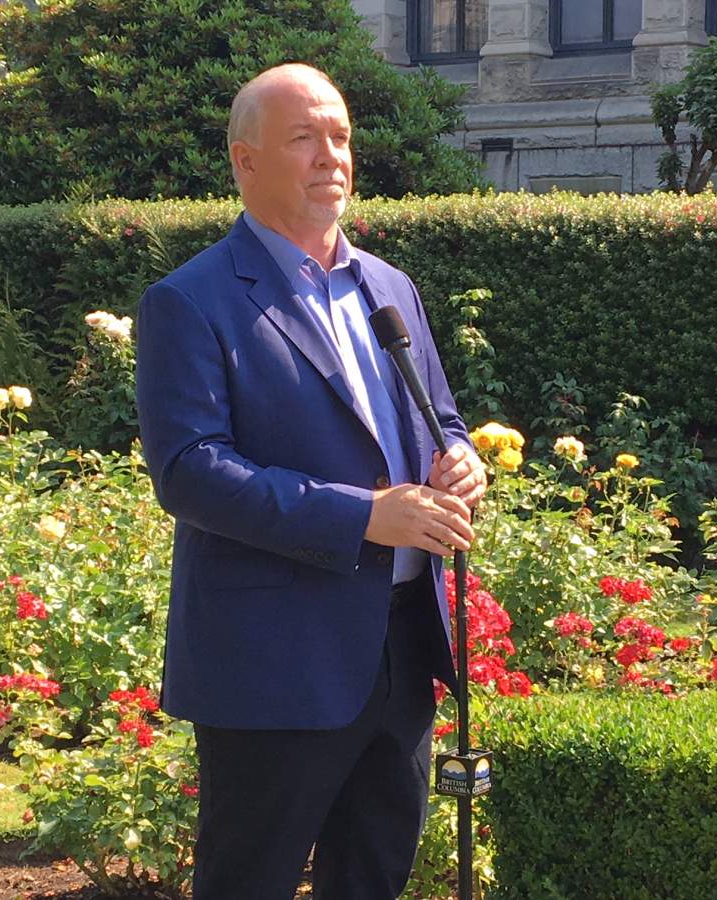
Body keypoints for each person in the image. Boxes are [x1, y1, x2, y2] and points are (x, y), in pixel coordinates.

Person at [134, 62, 487, 900]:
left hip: (400, 652)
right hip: (273, 666)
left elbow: (437, 416)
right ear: (245, 161)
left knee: (373, 880)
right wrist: (364, 516)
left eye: (340, 137)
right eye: (304, 137)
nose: (332, 155)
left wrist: (460, 456)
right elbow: (189, 472)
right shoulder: (190, 300)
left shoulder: (388, 287)